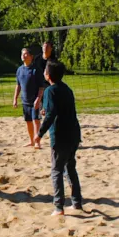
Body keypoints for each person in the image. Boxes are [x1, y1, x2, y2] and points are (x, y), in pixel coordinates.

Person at [37, 61, 82, 216]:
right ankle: (76, 202)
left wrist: (39, 133)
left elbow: (51, 114)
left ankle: (58, 207)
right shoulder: (67, 89)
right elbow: (57, 109)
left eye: (45, 70)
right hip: (74, 134)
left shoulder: (50, 91)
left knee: (56, 170)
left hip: (61, 135)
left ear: (48, 75)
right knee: (70, 167)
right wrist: (46, 112)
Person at [13, 47, 46, 149]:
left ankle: (37, 141)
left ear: (31, 57)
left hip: (35, 100)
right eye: (22, 54)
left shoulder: (36, 70)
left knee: (36, 120)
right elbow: (18, 85)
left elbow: (42, 86)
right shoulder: (19, 70)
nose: (23, 55)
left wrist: (38, 99)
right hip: (25, 100)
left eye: (26, 54)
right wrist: (15, 99)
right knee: (28, 121)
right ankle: (31, 141)